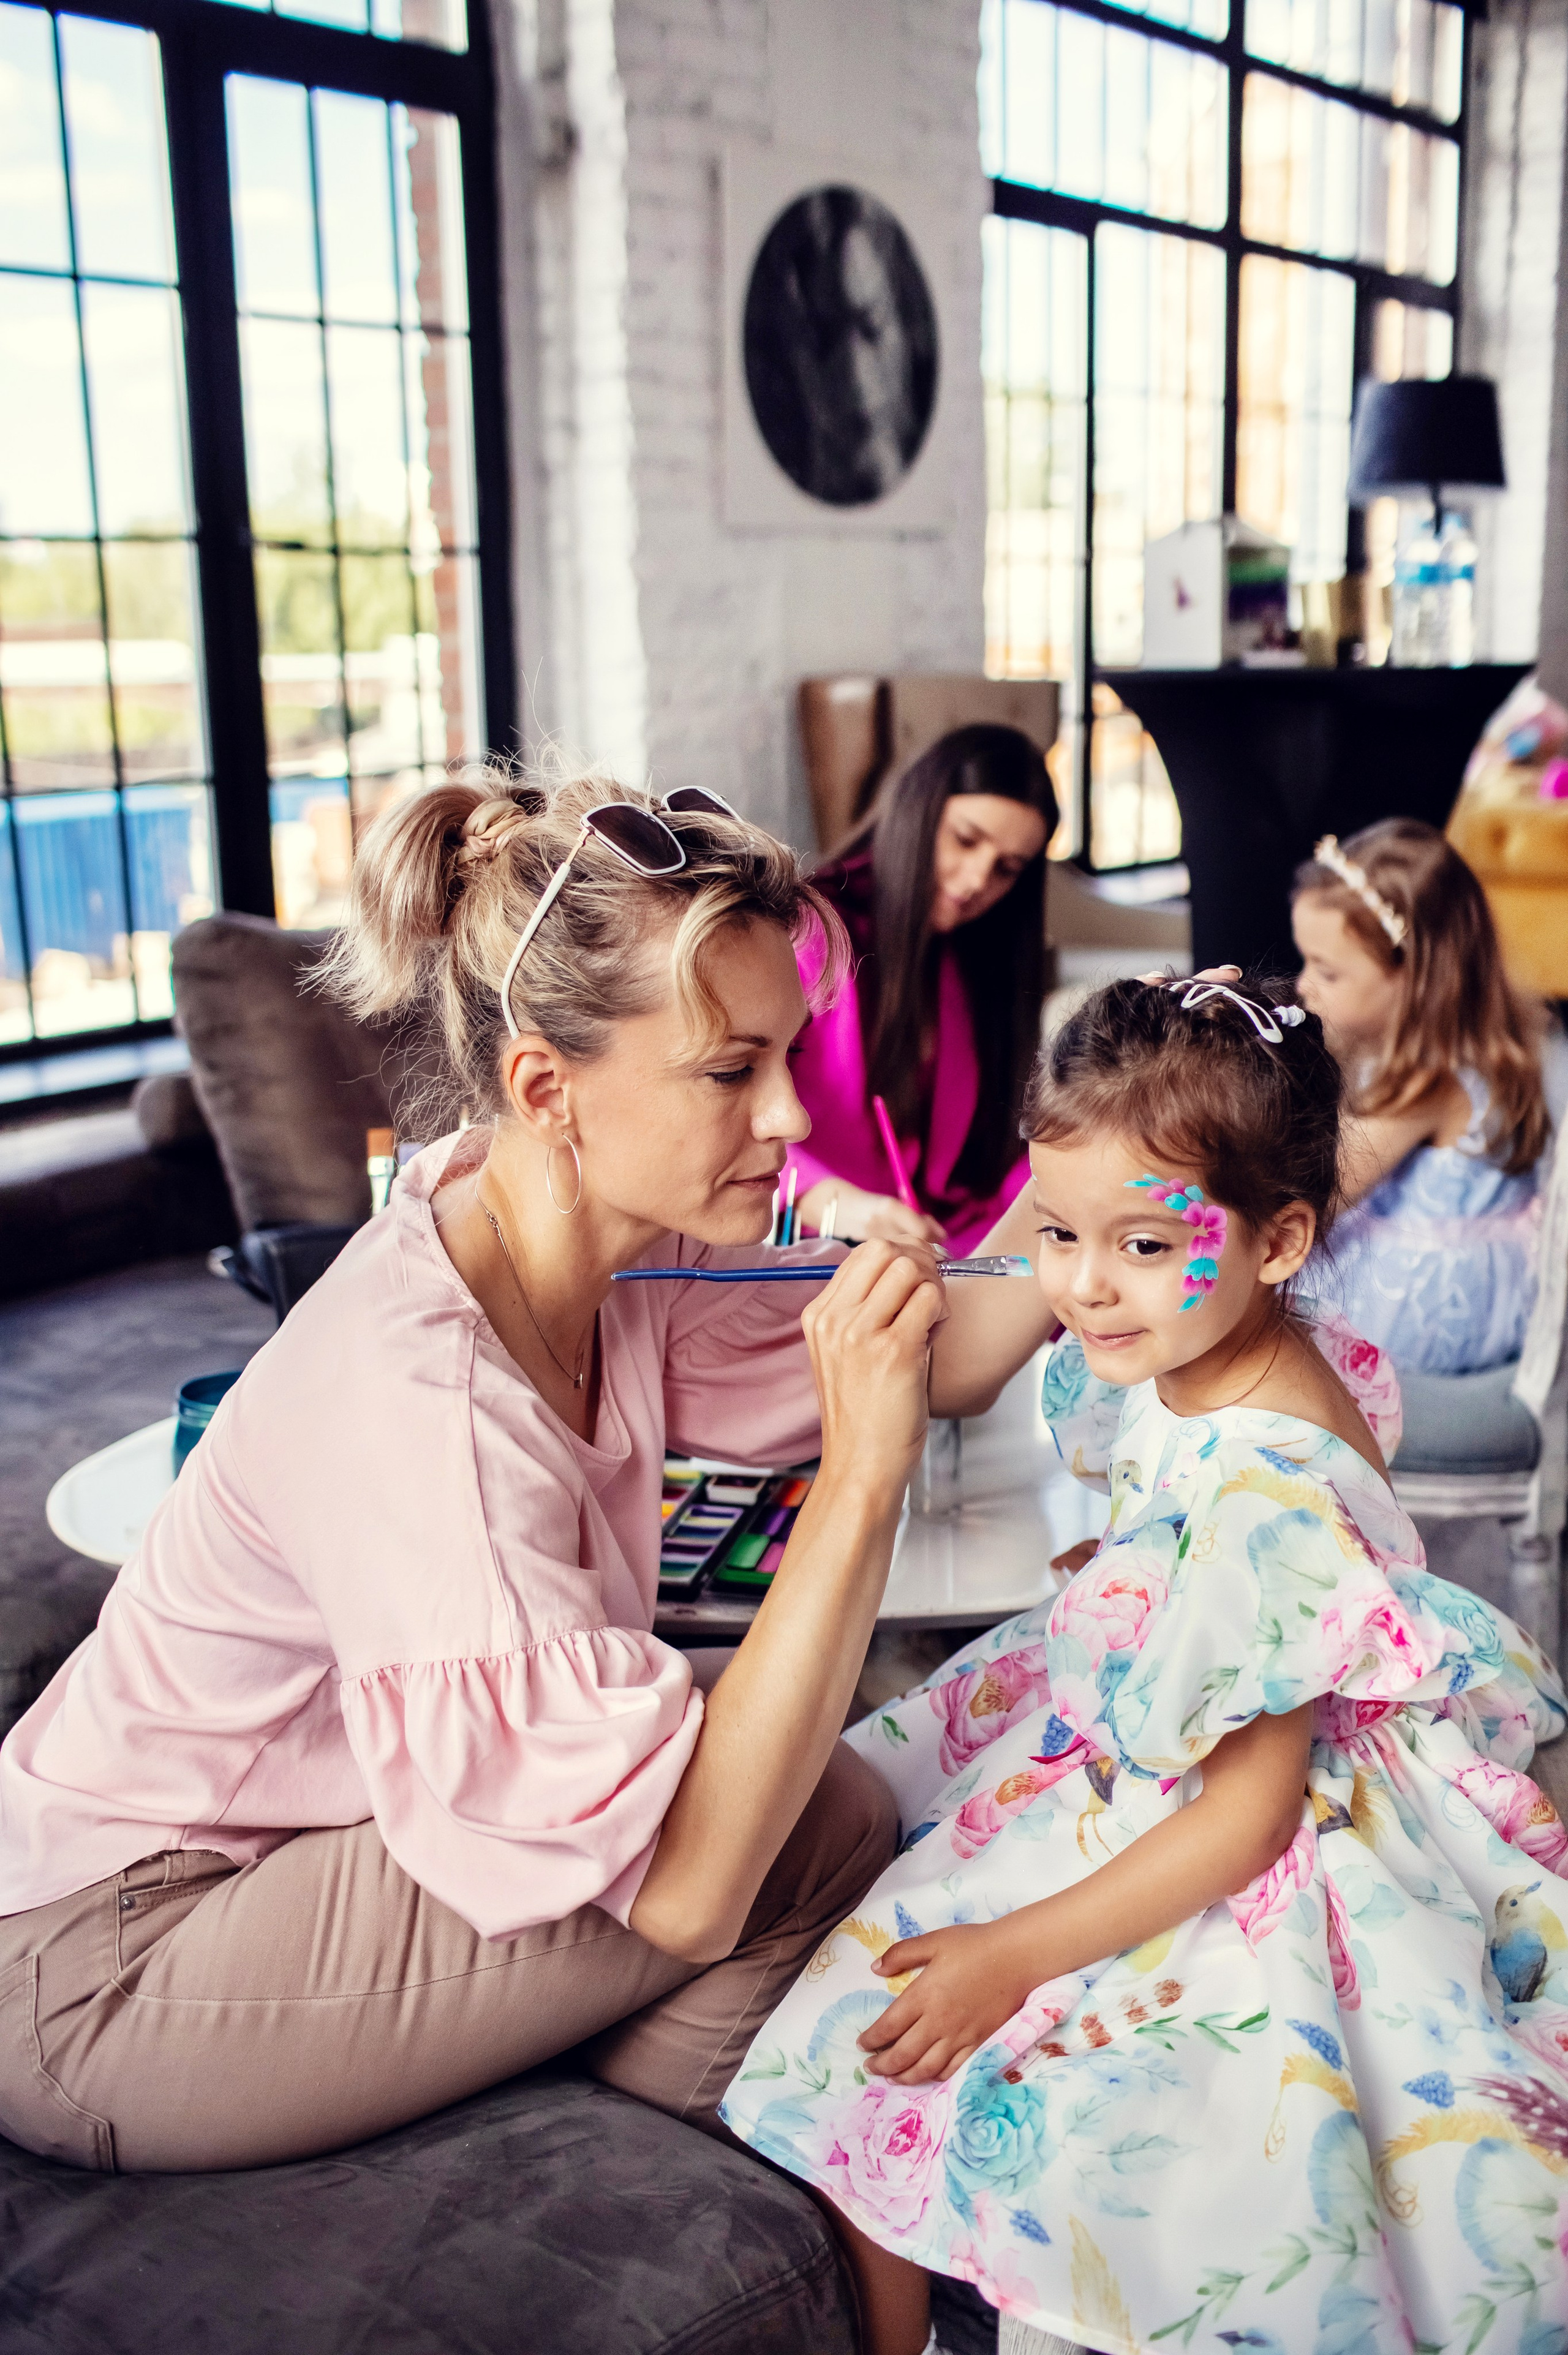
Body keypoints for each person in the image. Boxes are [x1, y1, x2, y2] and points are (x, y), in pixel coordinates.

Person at [0, 763, 984, 2177]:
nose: (785, 1120)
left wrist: (1112, 1230)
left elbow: (929, 1343)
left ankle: (658, 2115)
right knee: (785, 1813)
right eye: (729, 1072)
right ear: (546, 1086)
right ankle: (707, 2160)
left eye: (782, 1059)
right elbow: (699, 1886)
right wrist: (862, 1481)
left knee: (790, 1773)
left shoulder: (556, 1227)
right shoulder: (425, 1398)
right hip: (109, 1964)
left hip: (283, 1854)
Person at [720, 972, 1568, 2355]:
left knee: (877, 2028)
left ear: (1276, 1238)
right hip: (1181, 1712)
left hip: (1239, 1824)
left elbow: (1240, 1811)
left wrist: (1012, 1953)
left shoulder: (1261, 1482)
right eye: (1054, 1233)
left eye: (1139, 1241)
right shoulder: (1217, 1347)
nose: (1082, 1286)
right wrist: (1133, 1578)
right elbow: (1187, 1537)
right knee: (873, 1956)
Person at [786, 723, 1058, 1253]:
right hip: (810, 1236)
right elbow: (721, 1111)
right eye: (965, 839)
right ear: (919, 810)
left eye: (1006, 869)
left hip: (945, 1236)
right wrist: (833, 1202)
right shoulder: (808, 930)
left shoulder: (977, 958)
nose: (979, 879)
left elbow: (997, 1162)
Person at [1291, 818, 1550, 1374]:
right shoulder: (1433, 1046)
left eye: (1328, 973)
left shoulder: (1429, 1078)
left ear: (1415, 977)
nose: (1303, 985)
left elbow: (1325, 1188)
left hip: (1429, 1300)